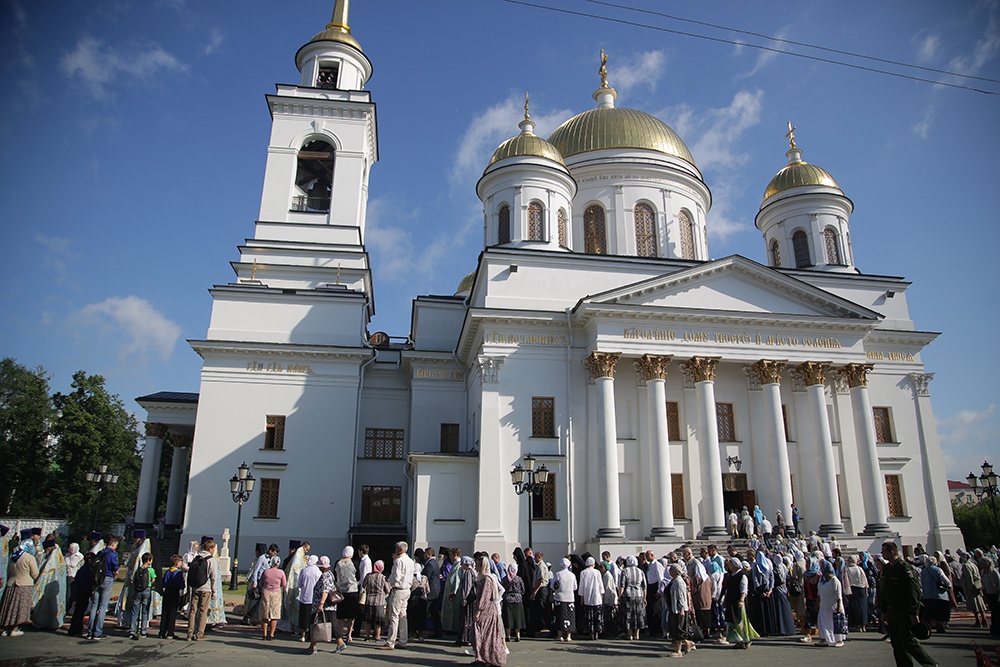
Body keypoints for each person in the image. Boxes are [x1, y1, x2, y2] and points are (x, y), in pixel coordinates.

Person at [879, 541, 937, 666]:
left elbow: (914, 591)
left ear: (892, 552)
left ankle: (930, 665)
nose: (882, 553)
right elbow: (885, 591)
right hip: (892, 610)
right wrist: (884, 611)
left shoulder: (903, 567)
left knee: (908, 641)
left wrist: (913, 611)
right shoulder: (888, 568)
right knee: (897, 644)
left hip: (904, 610)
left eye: (884, 551)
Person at [0, 531, 40, 637]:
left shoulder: (13, 556)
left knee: (9, 606)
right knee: (19, 608)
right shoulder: (29, 558)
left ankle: (5, 628)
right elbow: (35, 573)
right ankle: (14, 628)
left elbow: (8, 571)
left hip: (11, 584)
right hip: (24, 584)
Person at [307, 555, 347, 655]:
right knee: (332, 623)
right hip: (330, 605)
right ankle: (338, 642)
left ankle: (314, 646)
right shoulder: (330, 573)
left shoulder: (325, 575)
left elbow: (325, 590)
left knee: (315, 623)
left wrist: (321, 604)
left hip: (323, 605)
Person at [472, 554, 507, 666]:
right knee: (483, 635)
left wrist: (479, 610)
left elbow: (485, 596)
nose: (475, 567)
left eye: (477, 565)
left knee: (486, 635)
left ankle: (489, 659)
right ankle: (483, 657)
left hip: (487, 611)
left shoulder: (487, 579)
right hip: (486, 609)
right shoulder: (483, 578)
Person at [380, 540, 414, 650]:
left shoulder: (398, 561)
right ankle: (403, 640)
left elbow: (396, 577)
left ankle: (390, 642)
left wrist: (388, 581)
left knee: (394, 616)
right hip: (407, 589)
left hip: (398, 589)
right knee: (403, 615)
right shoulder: (410, 561)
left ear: (399, 550)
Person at [87, 535, 120, 640]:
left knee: (94, 605)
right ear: (113, 544)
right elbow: (116, 569)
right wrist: (115, 576)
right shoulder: (112, 555)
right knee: (102, 606)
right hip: (107, 578)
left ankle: (90, 631)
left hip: (97, 579)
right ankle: (97, 632)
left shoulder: (100, 553)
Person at [185, 538, 217, 642]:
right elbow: (213, 577)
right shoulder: (211, 560)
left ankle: (189, 633)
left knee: (193, 610)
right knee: (203, 611)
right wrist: (214, 590)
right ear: (210, 548)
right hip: (205, 587)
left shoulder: (197, 557)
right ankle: (199, 633)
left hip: (195, 587)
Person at [32, 537, 67, 630]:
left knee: (49, 604)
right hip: (54, 585)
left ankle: (48, 623)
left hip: (50, 585)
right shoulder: (56, 556)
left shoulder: (52, 560)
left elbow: (45, 572)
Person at [724, 557, 759, 649]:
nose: (729, 566)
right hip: (731, 601)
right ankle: (739, 641)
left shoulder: (742, 575)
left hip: (738, 601)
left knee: (740, 622)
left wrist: (741, 600)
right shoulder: (732, 575)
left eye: (730, 564)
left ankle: (746, 639)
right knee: (732, 622)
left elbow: (744, 589)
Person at [665, 563, 695, 657]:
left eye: (671, 570)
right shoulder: (674, 581)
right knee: (675, 628)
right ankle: (687, 643)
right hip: (674, 608)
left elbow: (682, 596)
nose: (669, 571)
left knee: (679, 628)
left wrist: (682, 608)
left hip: (679, 609)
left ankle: (678, 651)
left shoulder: (679, 582)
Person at [816, 561, 846, 647]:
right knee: (822, 621)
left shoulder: (834, 581)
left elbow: (838, 595)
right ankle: (824, 638)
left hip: (833, 606)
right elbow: (819, 593)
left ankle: (839, 640)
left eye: (822, 568)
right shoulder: (822, 580)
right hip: (824, 605)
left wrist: (839, 606)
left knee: (835, 623)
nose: (821, 569)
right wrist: (817, 603)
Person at [919, 554, 951, 633]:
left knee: (931, 612)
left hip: (927, 595)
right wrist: (948, 586)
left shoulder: (923, 571)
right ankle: (940, 625)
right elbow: (946, 581)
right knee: (940, 612)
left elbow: (920, 582)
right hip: (939, 595)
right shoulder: (938, 570)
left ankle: (934, 624)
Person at [360, 559, 390, 641]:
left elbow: (363, 585)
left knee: (368, 620)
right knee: (378, 621)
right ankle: (377, 636)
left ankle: (367, 636)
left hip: (369, 600)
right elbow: (387, 590)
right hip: (379, 601)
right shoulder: (382, 577)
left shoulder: (368, 576)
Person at [128, 552, 156, 640]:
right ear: (149, 561)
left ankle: (132, 630)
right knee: (145, 610)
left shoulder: (138, 569)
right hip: (146, 589)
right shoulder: (150, 570)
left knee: (135, 610)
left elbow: (132, 580)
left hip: (137, 590)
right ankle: (143, 630)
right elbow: (153, 579)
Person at [618, 555, 647, 640]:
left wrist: (620, 596)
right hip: (639, 594)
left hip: (628, 594)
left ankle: (630, 634)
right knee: (638, 614)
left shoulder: (625, 571)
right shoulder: (640, 571)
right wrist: (644, 597)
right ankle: (637, 634)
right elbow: (644, 586)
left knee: (628, 614)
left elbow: (622, 585)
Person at [258, 554, 286, 641]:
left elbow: (261, 584)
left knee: (265, 614)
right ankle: (272, 634)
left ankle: (264, 634)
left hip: (266, 592)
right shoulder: (281, 572)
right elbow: (284, 584)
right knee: (274, 614)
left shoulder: (266, 572)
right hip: (276, 593)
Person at [335, 546, 360, 640]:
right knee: (351, 616)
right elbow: (358, 576)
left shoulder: (338, 563)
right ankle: (349, 634)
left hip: (341, 591)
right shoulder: (354, 563)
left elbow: (335, 575)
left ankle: (340, 634)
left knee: (341, 616)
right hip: (352, 590)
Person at [551, 557, 577, 642]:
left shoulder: (558, 574)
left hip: (559, 598)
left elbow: (552, 586)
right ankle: (569, 636)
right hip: (570, 598)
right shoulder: (572, 575)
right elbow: (575, 587)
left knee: (559, 616)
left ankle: (560, 635)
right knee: (570, 617)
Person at [577, 557, 604, 640]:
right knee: (597, 616)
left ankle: (590, 633)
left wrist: (582, 597)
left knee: (589, 616)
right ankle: (597, 633)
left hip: (587, 597)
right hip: (597, 597)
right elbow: (600, 585)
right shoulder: (597, 572)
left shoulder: (583, 573)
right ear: (593, 564)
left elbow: (581, 586)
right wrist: (602, 596)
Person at [159, 554, 185, 639]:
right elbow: (181, 584)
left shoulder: (167, 571)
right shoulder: (178, 573)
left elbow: (164, 582)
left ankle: (162, 631)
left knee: (165, 611)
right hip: (174, 591)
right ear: (177, 563)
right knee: (172, 612)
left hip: (167, 591)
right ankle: (170, 632)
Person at [297, 555, 321, 642]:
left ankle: (302, 635)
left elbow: (299, 584)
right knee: (313, 618)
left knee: (303, 617)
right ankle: (311, 636)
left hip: (304, 597)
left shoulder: (304, 570)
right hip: (314, 598)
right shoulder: (318, 572)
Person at [842, 554, 870, 631]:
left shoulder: (846, 569)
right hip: (861, 589)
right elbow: (864, 580)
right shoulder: (859, 568)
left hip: (852, 589)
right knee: (863, 607)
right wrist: (866, 590)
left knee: (855, 607)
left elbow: (846, 581)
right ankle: (863, 625)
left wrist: (846, 592)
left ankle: (857, 625)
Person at [961, 551, 988, 628]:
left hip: (971, 587)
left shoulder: (966, 566)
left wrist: (970, 587)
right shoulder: (974, 564)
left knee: (974, 604)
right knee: (980, 603)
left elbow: (969, 577)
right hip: (977, 585)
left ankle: (978, 620)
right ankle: (984, 618)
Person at [502, 562, 525, 641]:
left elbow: (502, 588)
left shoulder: (505, 579)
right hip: (518, 600)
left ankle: (508, 635)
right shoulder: (519, 579)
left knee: (508, 618)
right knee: (517, 618)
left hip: (508, 600)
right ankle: (518, 635)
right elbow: (523, 589)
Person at [423, 545, 442, 638]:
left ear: (429, 554)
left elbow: (426, 576)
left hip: (431, 591)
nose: (424, 556)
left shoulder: (430, 564)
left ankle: (422, 630)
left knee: (425, 611)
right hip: (436, 590)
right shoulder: (435, 563)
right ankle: (438, 631)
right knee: (434, 613)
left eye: (425, 554)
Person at [65, 542, 83, 609]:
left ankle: (70, 607)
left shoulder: (80, 557)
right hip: (67, 575)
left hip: (74, 576)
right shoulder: (67, 555)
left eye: (72, 548)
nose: (70, 550)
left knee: (71, 594)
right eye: (69, 548)